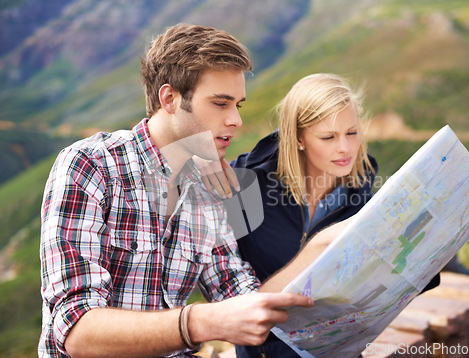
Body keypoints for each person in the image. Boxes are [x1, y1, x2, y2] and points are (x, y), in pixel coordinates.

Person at [39, 25, 348, 358]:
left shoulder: (208, 187)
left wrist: (320, 249)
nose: (235, 120)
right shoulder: (91, 166)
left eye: (238, 106)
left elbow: (240, 296)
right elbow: (76, 333)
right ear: (170, 99)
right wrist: (198, 322)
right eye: (220, 103)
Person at [231, 73, 441, 357]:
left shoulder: (366, 203)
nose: (345, 148)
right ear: (298, 138)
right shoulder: (245, 187)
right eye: (329, 137)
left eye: (352, 133)